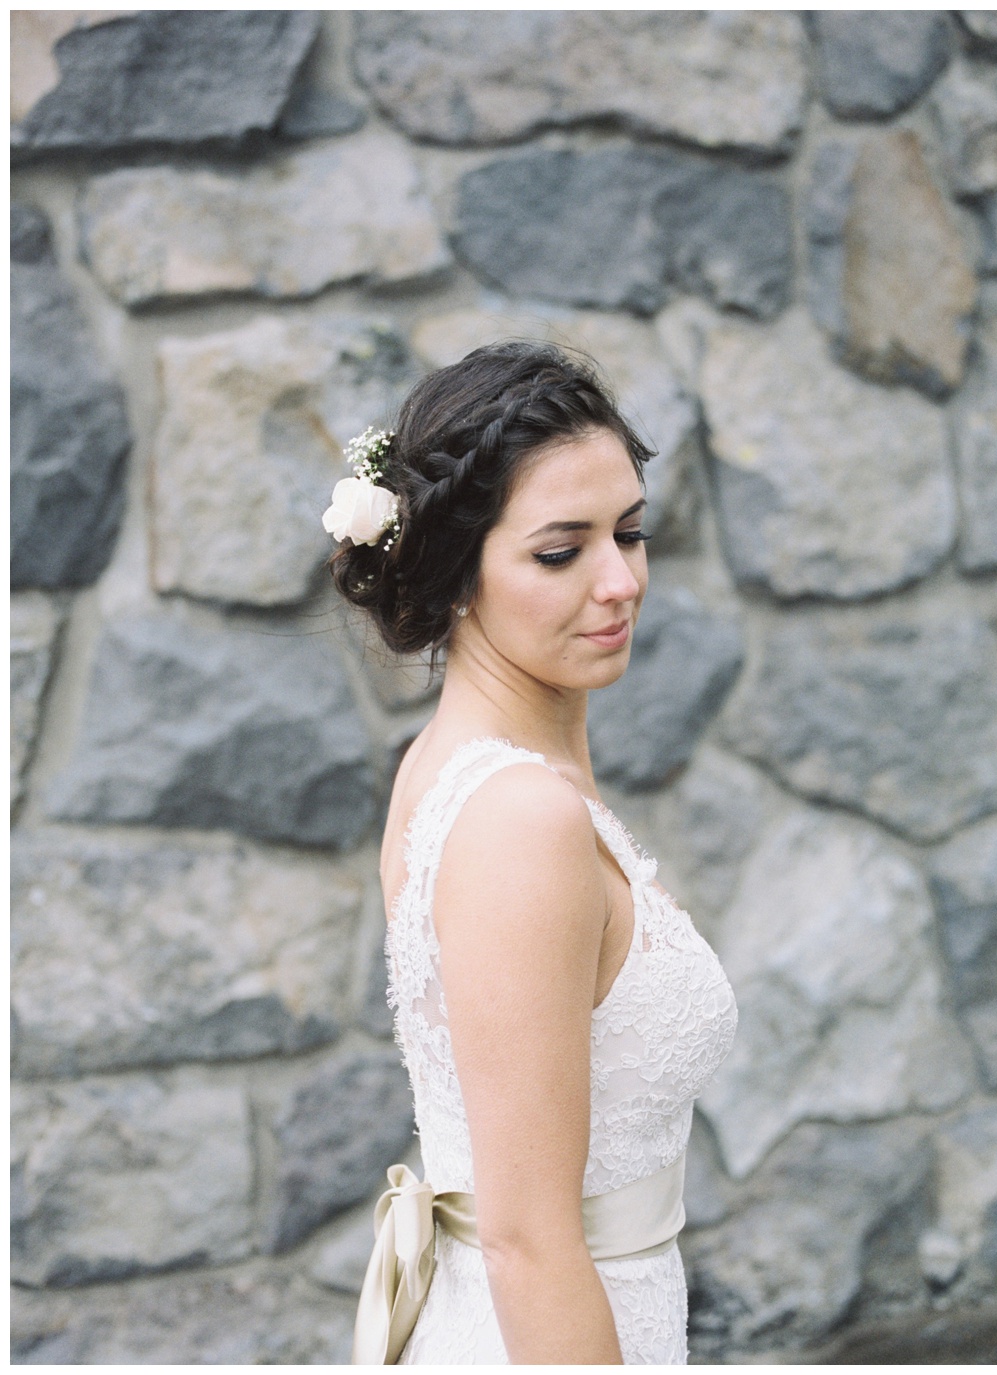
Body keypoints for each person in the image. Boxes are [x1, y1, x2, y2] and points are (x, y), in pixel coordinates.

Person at [327, 341, 737, 1362]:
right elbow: (525, 1239)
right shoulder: (520, 819)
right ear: (456, 572)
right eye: (562, 551)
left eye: (630, 532)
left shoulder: (459, 764)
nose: (619, 582)